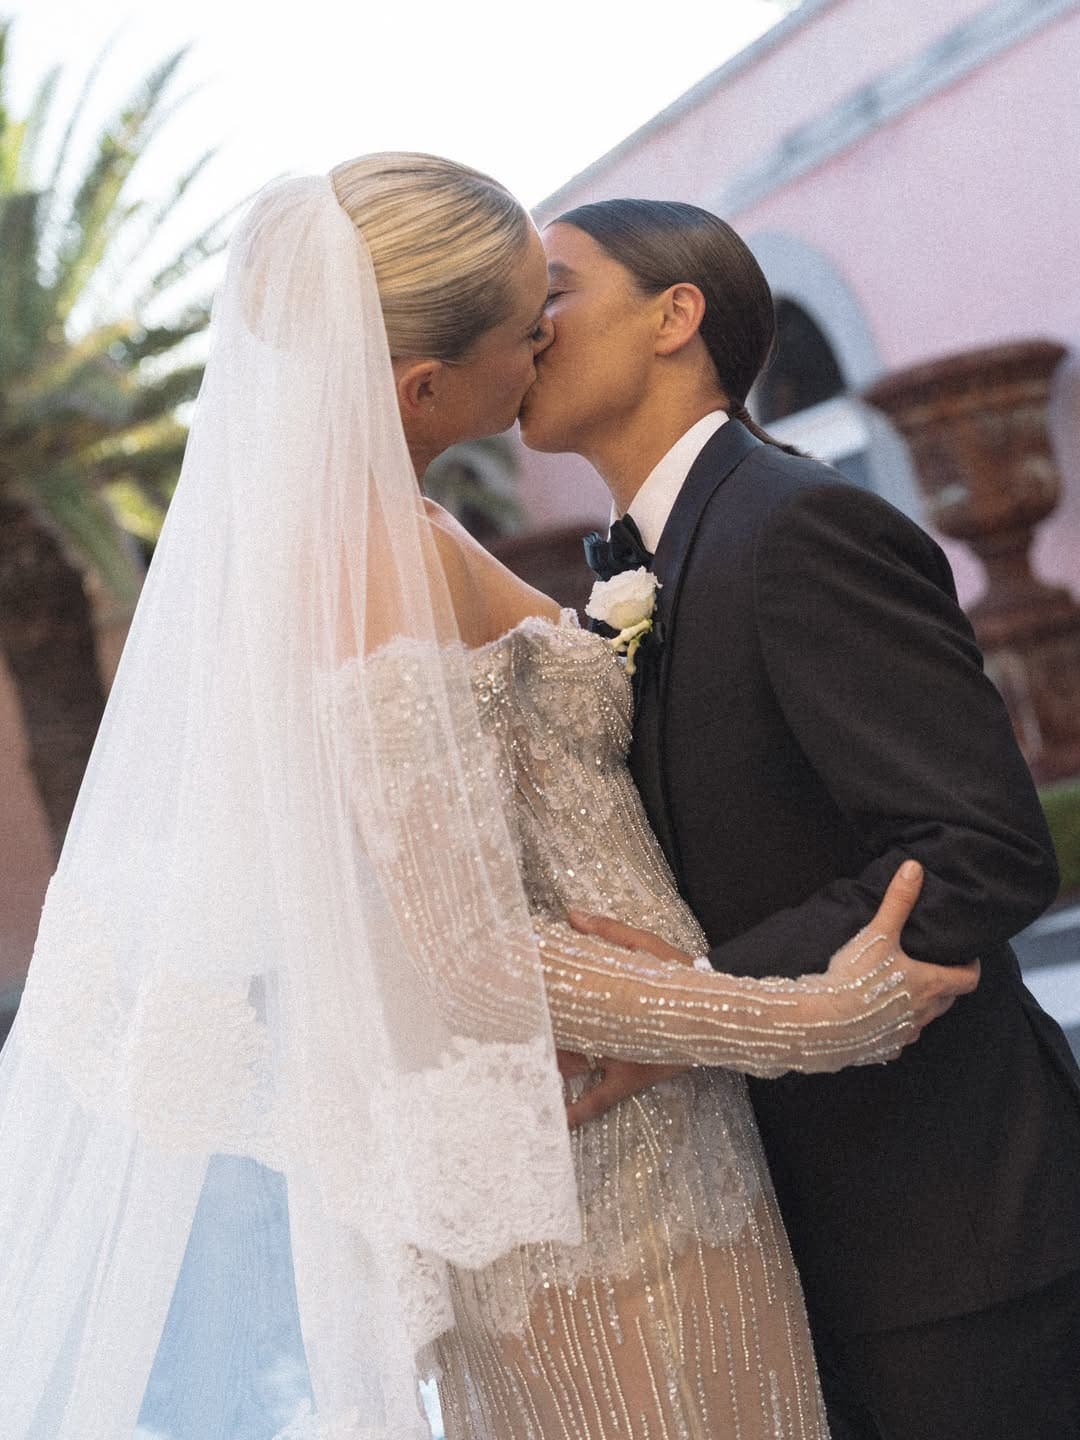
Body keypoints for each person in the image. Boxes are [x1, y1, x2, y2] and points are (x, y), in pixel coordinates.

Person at [0, 157, 975, 1440]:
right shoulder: (364, 554)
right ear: (423, 385)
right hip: (597, 1183)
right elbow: (468, 954)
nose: (545, 344)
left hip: (644, 1135)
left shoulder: (394, 527)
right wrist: (813, 1017)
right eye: (528, 326)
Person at [519, 198, 1080, 1440]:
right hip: (790, 1233)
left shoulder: (799, 523)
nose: (529, 325)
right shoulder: (635, 569)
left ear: (675, 315)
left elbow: (981, 850)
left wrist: (691, 1009)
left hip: (951, 1236)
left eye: (556, 288)